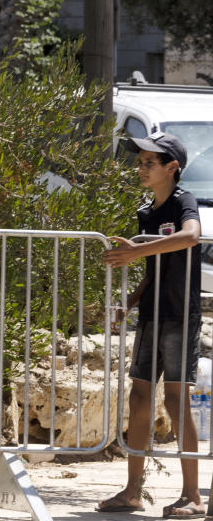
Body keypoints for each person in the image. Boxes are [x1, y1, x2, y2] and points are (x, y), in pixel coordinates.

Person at [98, 131, 203, 518]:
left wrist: (136, 249)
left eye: (149, 163)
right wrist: (131, 300)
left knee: (176, 401)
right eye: (139, 161)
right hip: (151, 315)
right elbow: (153, 268)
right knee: (139, 399)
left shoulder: (183, 201)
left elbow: (191, 237)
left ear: (171, 168)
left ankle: (192, 495)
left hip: (180, 315)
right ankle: (132, 492)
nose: (140, 168)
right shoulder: (147, 211)